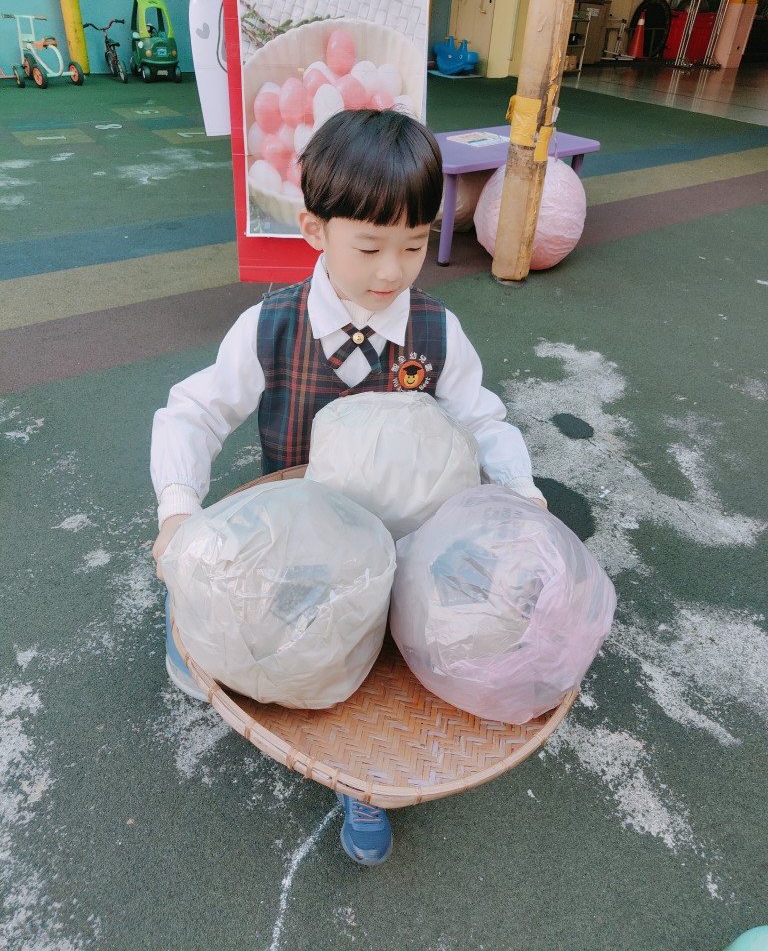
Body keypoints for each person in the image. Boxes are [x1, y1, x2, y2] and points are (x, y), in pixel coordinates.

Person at [150, 107, 546, 867]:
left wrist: (521, 491)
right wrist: (177, 510)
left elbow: (484, 419)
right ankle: (305, 723)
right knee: (306, 653)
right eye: (369, 246)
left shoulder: (437, 333)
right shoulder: (270, 326)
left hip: (408, 547)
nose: (392, 270)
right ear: (314, 229)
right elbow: (192, 412)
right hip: (300, 550)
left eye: (414, 244)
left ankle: (365, 779)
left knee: (403, 670)